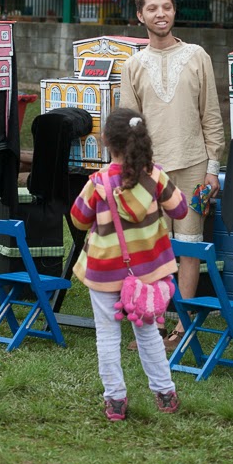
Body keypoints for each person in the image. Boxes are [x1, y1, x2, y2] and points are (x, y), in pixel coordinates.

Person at [119, 0, 226, 351]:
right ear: (140, 16)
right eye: (152, 8)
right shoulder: (132, 65)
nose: (160, 14)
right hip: (150, 172)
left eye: (166, 7)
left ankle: (183, 327)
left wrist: (213, 168)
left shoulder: (198, 56)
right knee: (151, 250)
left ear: (174, 11)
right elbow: (128, 126)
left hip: (194, 167)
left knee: (189, 246)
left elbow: (211, 117)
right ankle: (154, 327)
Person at [70, 108, 187, 421]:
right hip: (146, 272)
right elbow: (180, 211)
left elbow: (78, 220)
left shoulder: (98, 183)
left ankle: (116, 400)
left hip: (105, 272)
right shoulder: (156, 176)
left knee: (107, 336)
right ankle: (165, 393)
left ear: (106, 141)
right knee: (149, 333)